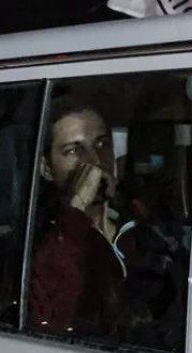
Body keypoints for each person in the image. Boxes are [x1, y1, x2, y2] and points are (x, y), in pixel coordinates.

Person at [29, 95, 133, 334]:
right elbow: (49, 318)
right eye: (74, 150)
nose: (95, 161)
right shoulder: (38, 240)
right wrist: (77, 209)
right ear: (46, 168)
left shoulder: (140, 224)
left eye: (102, 144)